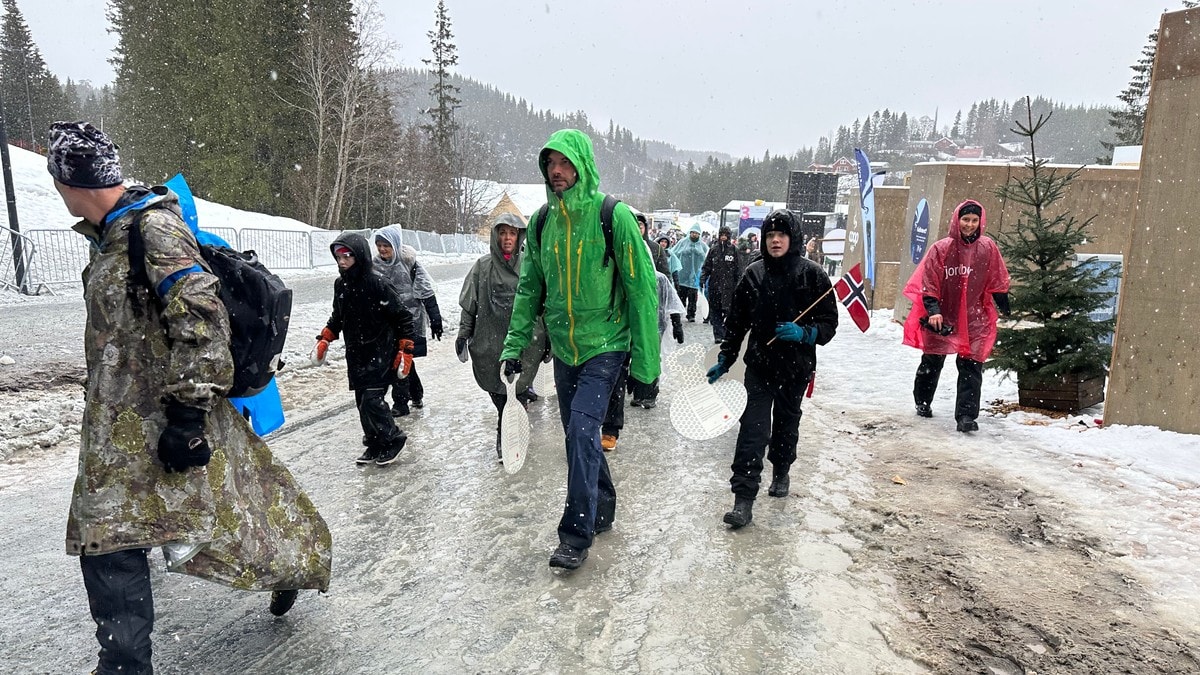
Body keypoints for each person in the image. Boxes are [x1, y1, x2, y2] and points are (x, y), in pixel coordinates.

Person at [48, 121, 331, 675]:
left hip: (166, 418)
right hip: (114, 430)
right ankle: (125, 664)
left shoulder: (151, 230)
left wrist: (187, 414)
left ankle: (292, 566)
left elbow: (201, 317)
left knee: (237, 514)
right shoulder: (109, 234)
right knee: (108, 539)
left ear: (70, 180)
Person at [500, 129, 660, 570]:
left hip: (606, 344)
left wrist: (647, 369)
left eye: (566, 163)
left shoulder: (614, 216)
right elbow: (530, 287)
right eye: (550, 163)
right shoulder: (540, 223)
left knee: (582, 430)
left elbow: (642, 292)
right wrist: (514, 347)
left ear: (583, 165)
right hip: (565, 350)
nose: (557, 171)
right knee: (579, 437)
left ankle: (576, 534)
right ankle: (603, 505)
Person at [707, 209, 838, 529]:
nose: (775, 240)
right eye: (769, 235)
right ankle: (743, 499)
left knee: (785, 424)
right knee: (752, 429)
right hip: (760, 368)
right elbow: (736, 322)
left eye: (781, 235)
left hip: (796, 368)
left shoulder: (813, 275)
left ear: (792, 239)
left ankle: (781, 470)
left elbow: (829, 323)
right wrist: (726, 357)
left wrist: (806, 333)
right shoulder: (753, 274)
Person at [902, 200, 1010, 433]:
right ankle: (922, 401)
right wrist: (933, 310)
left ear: (980, 222)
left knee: (972, 365)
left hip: (974, 317)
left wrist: (1004, 303)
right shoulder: (942, 248)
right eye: (965, 219)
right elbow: (929, 281)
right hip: (944, 315)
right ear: (957, 220)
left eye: (974, 220)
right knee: (932, 361)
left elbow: (997, 279)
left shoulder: (988, 248)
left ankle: (966, 416)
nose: (970, 225)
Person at [317, 232, 417, 465]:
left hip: (381, 350)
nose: (342, 262)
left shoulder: (378, 283)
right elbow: (337, 317)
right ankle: (374, 442)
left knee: (373, 399)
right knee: (362, 401)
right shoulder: (341, 284)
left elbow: (403, 316)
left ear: (359, 256)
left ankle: (393, 438)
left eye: (347, 256)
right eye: (338, 257)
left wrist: (406, 349)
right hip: (356, 353)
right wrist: (326, 338)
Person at [457, 213, 548, 459]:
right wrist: (464, 333)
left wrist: (549, 338)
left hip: (525, 342)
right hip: (490, 340)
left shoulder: (531, 265)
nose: (507, 238)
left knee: (516, 390)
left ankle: (508, 436)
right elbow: (470, 304)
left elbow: (544, 303)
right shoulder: (482, 267)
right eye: (503, 232)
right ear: (496, 235)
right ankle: (508, 424)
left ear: (519, 236)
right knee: (498, 391)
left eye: (512, 233)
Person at [373, 226, 444, 415]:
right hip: (386, 323)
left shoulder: (409, 263)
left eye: (386, 245)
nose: (382, 250)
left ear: (395, 245)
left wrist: (435, 318)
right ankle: (415, 394)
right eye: (379, 245)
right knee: (400, 361)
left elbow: (427, 292)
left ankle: (401, 403)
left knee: (401, 359)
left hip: (410, 321)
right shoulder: (374, 265)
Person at [700, 226, 744, 343]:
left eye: (725, 234)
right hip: (715, 286)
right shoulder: (713, 250)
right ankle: (718, 334)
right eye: (721, 234)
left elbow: (739, 270)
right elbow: (707, 266)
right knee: (715, 311)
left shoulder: (734, 250)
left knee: (729, 312)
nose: (723, 236)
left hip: (729, 288)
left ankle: (726, 332)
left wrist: (739, 285)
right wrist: (703, 278)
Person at [671, 223, 707, 321]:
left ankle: (691, 314)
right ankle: (679, 312)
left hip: (695, 275)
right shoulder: (682, 242)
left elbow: (707, 257)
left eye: (696, 233)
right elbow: (673, 253)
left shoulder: (703, 245)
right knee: (681, 295)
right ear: (690, 233)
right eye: (693, 233)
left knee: (693, 297)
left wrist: (699, 254)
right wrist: (684, 252)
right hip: (682, 274)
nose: (694, 235)